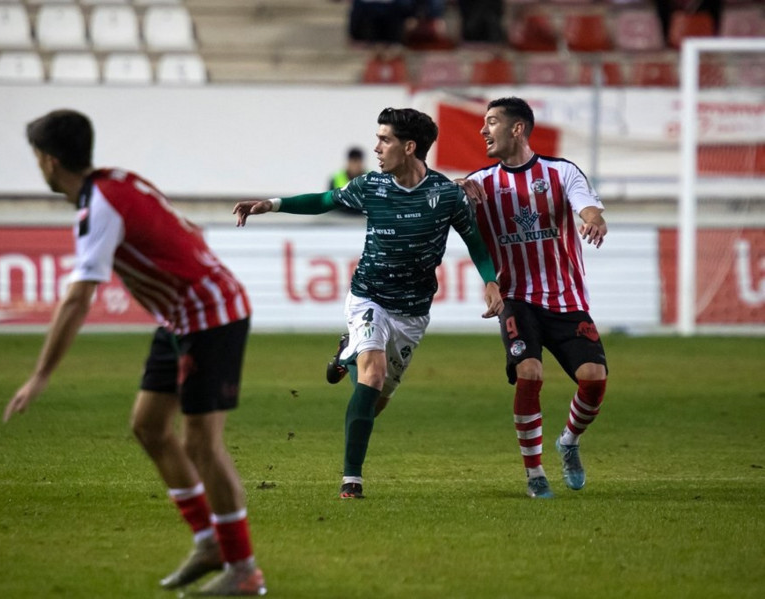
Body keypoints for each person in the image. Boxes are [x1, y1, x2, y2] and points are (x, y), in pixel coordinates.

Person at [3, 110, 266, 596]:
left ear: (49, 160)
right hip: (179, 318)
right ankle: (209, 543)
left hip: (210, 316)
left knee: (200, 444)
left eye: (36, 157)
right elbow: (185, 226)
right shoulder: (119, 180)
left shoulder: (97, 205)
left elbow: (78, 298)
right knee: (148, 425)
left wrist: (40, 375)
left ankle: (244, 569)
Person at [234, 107, 503, 499]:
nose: (376, 147)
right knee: (372, 375)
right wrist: (272, 204)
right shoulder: (371, 186)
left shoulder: (446, 196)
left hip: (412, 312)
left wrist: (490, 282)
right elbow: (324, 199)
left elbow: (476, 243)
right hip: (368, 297)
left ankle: (348, 353)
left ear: (409, 147)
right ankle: (351, 479)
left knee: (377, 397)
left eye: (385, 139)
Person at [457, 97, 609, 499]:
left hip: (566, 298)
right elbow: (445, 208)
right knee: (530, 373)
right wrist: (454, 190)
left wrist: (594, 221)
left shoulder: (561, 173)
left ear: (517, 128)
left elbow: (588, 208)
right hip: (516, 299)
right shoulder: (480, 184)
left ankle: (569, 442)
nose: (483, 131)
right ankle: (535, 473)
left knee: (594, 382)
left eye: (491, 123)